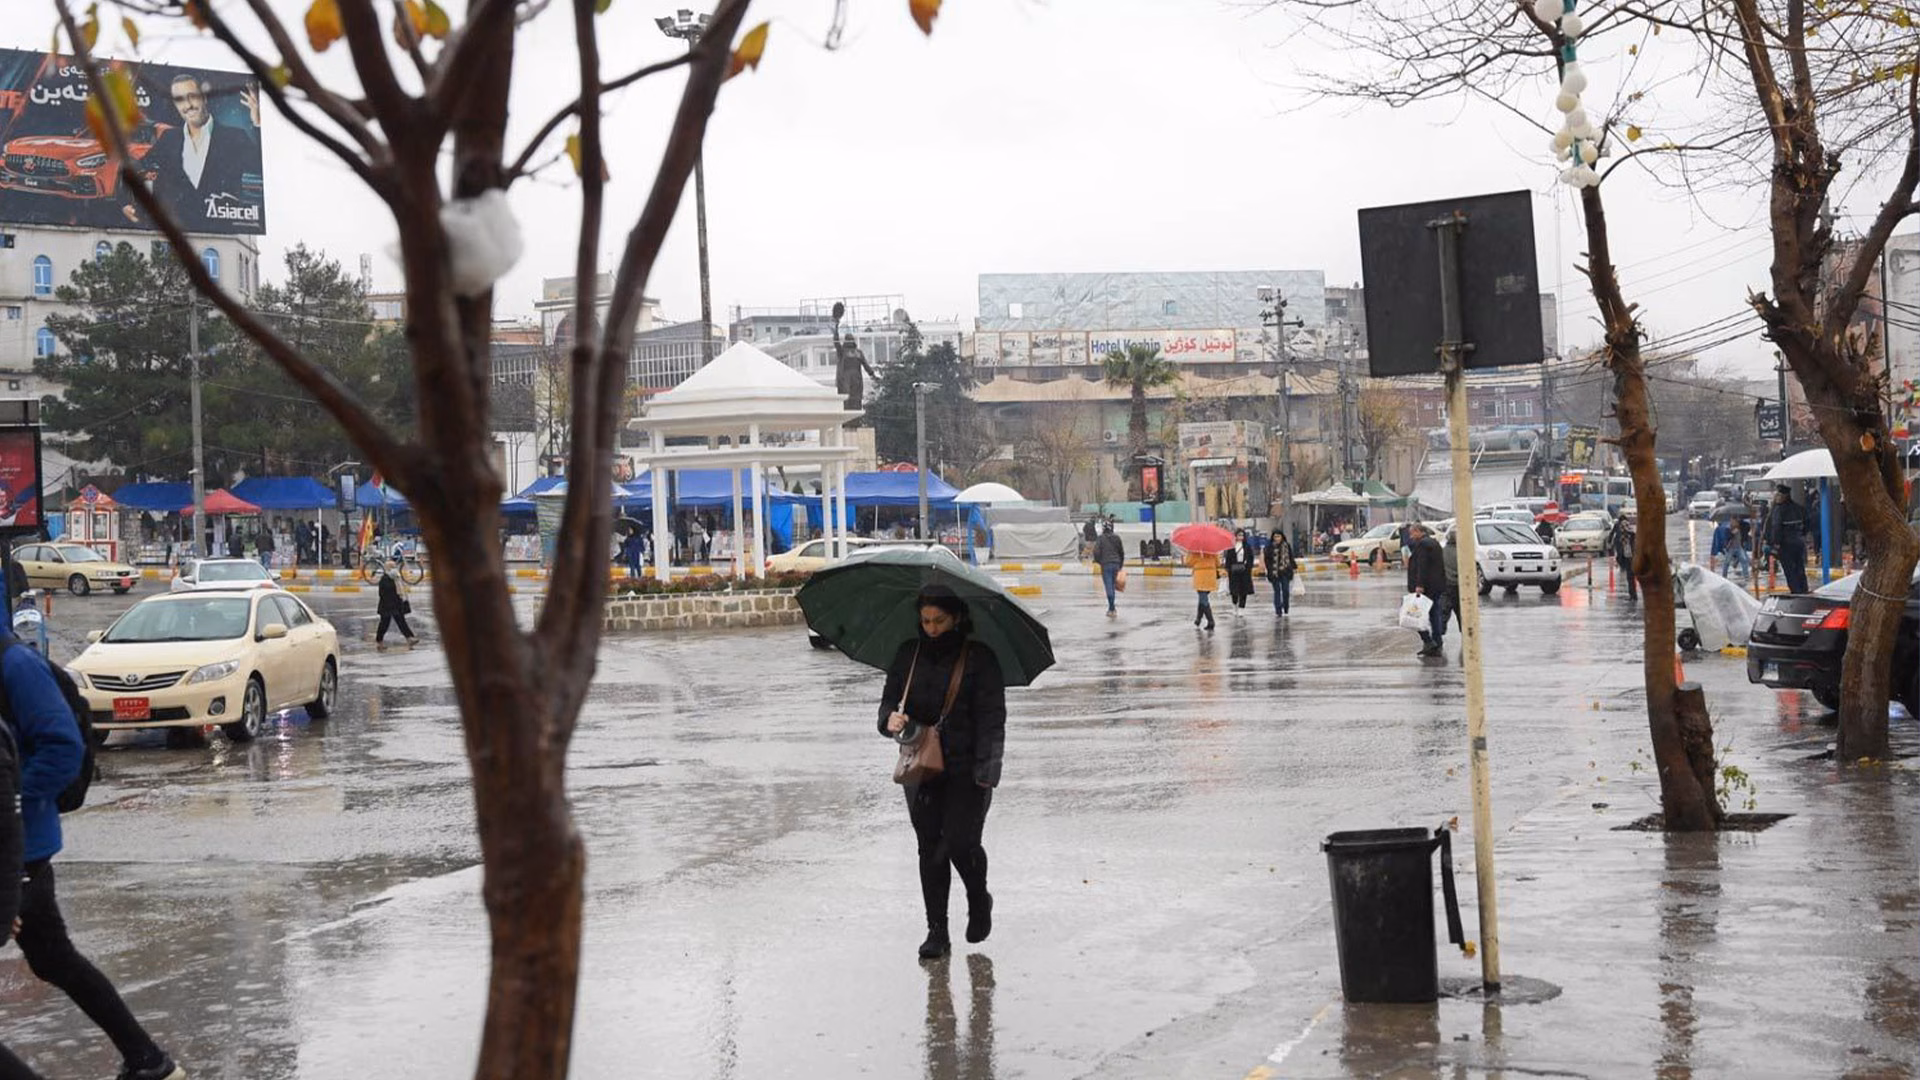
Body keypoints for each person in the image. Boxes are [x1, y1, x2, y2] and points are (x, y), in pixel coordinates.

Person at [0, 632, 187, 1080]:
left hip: (17, 848)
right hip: (17, 843)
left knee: (54, 956)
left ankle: (149, 1059)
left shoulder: (15, 666)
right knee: (53, 958)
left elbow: (64, 747)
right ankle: (148, 1059)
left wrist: (12, 801)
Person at [878, 586, 1006, 960]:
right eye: (926, 621)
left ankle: (978, 896)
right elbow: (888, 701)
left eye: (939, 621)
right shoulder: (909, 655)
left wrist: (988, 770)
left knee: (961, 842)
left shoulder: (980, 658)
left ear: (956, 618)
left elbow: (992, 719)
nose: (932, 628)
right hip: (922, 767)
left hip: (969, 770)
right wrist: (890, 719)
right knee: (930, 848)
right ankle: (937, 930)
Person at [123, 73, 264, 232]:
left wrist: (257, 122)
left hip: (220, 229)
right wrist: (125, 203)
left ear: (204, 97)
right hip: (178, 234)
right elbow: (136, 168)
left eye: (192, 96)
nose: (188, 105)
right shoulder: (169, 138)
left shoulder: (234, 137)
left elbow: (258, 164)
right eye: (180, 99)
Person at [1405, 523, 1448, 657]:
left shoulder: (1423, 545)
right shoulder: (1433, 543)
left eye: (1412, 534)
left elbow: (1422, 566)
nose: (1411, 537)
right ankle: (1437, 642)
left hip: (1426, 587)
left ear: (1418, 531)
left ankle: (1428, 641)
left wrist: (1419, 585)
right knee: (1434, 614)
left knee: (1414, 615)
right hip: (1436, 585)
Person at [1765, 485, 1810, 595]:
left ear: (1784, 496)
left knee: (1789, 569)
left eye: (1779, 495)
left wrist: (1775, 544)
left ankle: (1796, 592)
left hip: (1785, 544)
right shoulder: (1798, 508)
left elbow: (1776, 527)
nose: (1777, 497)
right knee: (1799, 567)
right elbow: (1807, 523)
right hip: (1798, 542)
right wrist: (1802, 535)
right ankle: (1804, 589)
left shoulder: (1779, 509)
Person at [375, 570, 418, 651]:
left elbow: (401, 592)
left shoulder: (397, 578)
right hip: (386, 607)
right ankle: (379, 642)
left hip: (396, 606)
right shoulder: (384, 580)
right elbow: (382, 594)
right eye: (391, 567)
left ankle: (410, 639)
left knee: (402, 622)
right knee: (384, 625)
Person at [1092, 522, 1126, 617]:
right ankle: (1112, 608)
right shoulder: (1117, 538)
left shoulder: (1101, 538)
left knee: (1109, 586)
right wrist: (1120, 564)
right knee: (1113, 586)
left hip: (1106, 565)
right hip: (1116, 564)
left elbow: (1096, 552)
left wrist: (1099, 561)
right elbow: (1121, 552)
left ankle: (1111, 608)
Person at [1224, 529, 1257, 618]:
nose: (1240, 537)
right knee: (1234, 591)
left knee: (1244, 591)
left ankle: (1242, 608)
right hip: (1234, 572)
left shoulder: (1247, 547)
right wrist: (1228, 568)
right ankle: (1235, 605)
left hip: (1244, 572)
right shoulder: (1231, 547)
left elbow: (1251, 558)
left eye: (1242, 535)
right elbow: (1228, 559)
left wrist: (1248, 566)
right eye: (1239, 535)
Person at [1263, 528, 1296, 616]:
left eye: (1278, 536)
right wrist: (1269, 570)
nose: (1277, 538)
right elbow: (1267, 560)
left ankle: (1285, 606)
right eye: (1275, 537)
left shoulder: (1286, 546)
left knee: (1286, 590)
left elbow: (1290, 557)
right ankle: (1278, 610)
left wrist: (1294, 567)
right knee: (1277, 591)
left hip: (1285, 572)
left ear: (1282, 537)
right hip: (1274, 573)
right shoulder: (1269, 547)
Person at [1187, 548, 1219, 631]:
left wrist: (1189, 553)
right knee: (1202, 598)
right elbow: (1218, 563)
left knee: (1203, 598)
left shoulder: (1195, 551)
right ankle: (1198, 619)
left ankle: (1211, 621)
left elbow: (1189, 563)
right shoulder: (1213, 550)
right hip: (1210, 575)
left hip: (1200, 576)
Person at [1609, 513, 1638, 600]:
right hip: (1628, 556)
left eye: (1622, 527)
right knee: (1630, 577)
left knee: (1630, 576)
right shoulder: (1626, 536)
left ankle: (1633, 595)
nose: (1621, 529)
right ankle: (1632, 594)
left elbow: (1626, 548)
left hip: (1628, 557)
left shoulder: (1627, 537)